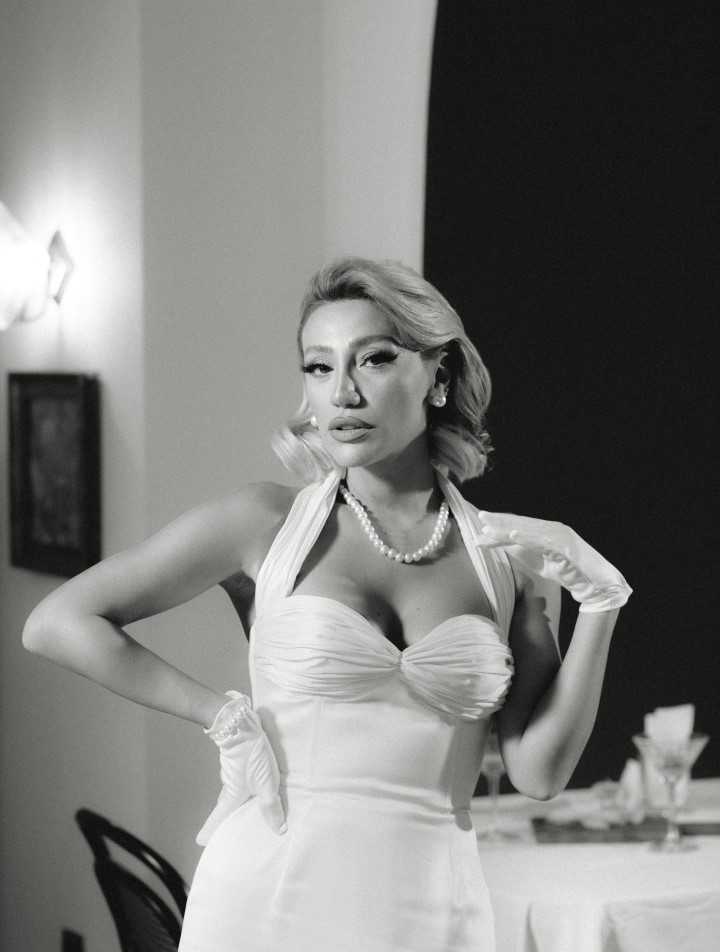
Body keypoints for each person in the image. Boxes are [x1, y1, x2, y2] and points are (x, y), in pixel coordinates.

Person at [23, 257, 631, 952]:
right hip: (265, 902)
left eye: (374, 359)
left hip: (435, 914)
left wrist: (601, 600)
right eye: (319, 366)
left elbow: (539, 774)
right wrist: (220, 715)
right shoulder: (264, 523)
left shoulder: (511, 559)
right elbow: (57, 623)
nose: (343, 391)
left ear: (438, 377)